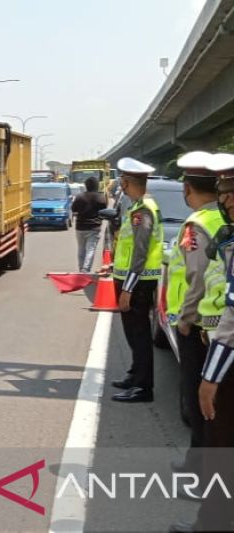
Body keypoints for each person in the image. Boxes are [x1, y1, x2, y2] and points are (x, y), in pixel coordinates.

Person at [171, 153, 234, 533]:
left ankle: (210, 524)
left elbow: (231, 312)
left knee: (219, 441)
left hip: (218, 341)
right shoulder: (223, 228)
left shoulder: (198, 223)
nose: (225, 200)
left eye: (231, 192)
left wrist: (210, 377)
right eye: (223, 191)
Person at [165, 152, 225, 479]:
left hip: (200, 326)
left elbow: (196, 277)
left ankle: (200, 473)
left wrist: (185, 320)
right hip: (218, 327)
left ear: (188, 188)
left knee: (199, 403)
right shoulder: (223, 219)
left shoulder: (197, 223)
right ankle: (195, 465)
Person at [110, 157, 163, 403]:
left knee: (139, 335)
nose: (120, 184)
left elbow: (140, 252)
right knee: (132, 333)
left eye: (122, 180)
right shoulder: (136, 207)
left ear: (127, 181)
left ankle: (143, 388)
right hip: (130, 279)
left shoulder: (143, 210)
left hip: (138, 283)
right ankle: (134, 375)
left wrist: (127, 289)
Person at [71, 176, 107, 272]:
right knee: (90, 249)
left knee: (81, 249)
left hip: (80, 227)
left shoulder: (79, 197)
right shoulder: (101, 197)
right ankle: (86, 269)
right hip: (94, 227)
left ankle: (81, 268)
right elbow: (104, 212)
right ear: (97, 186)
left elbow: (73, 209)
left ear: (86, 186)